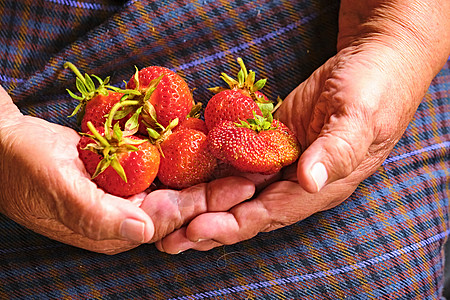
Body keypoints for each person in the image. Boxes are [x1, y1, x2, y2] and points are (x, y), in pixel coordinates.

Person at [0, 0, 449, 298]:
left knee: (380, 273)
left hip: (344, 63)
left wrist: (398, 39)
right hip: (34, 93)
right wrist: (5, 133)